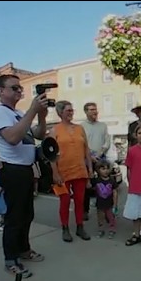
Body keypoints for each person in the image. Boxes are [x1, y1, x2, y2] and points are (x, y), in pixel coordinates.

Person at [0, 74, 49, 278]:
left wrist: (41, 114)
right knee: (14, 217)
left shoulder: (19, 113)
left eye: (20, 88)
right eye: (14, 88)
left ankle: (23, 249)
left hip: (25, 169)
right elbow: (13, 138)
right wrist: (32, 110)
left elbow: (39, 134)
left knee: (27, 214)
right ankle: (10, 259)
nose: (19, 91)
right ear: (1, 91)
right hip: (12, 170)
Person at [51, 100, 93, 243]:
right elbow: (50, 153)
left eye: (72, 110)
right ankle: (65, 228)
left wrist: (90, 169)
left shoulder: (80, 128)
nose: (71, 113)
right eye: (68, 110)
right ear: (60, 112)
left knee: (80, 201)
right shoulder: (55, 130)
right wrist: (55, 173)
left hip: (80, 170)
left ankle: (80, 226)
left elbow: (86, 149)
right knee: (65, 200)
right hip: (63, 171)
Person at [82, 102, 111, 220]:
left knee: (104, 185)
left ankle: (106, 210)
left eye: (95, 109)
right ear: (86, 112)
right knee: (87, 186)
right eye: (91, 109)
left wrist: (100, 153)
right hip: (87, 158)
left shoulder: (103, 126)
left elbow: (107, 141)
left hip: (101, 158)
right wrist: (90, 155)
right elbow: (82, 143)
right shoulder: (81, 126)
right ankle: (85, 211)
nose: (95, 112)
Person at [92, 160, 119, 239]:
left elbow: (115, 192)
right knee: (100, 217)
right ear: (98, 170)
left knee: (111, 217)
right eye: (103, 169)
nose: (105, 171)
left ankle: (112, 230)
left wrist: (115, 204)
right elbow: (90, 186)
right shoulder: (96, 180)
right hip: (100, 204)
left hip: (109, 204)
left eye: (107, 169)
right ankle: (101, 230)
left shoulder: (111, 180)